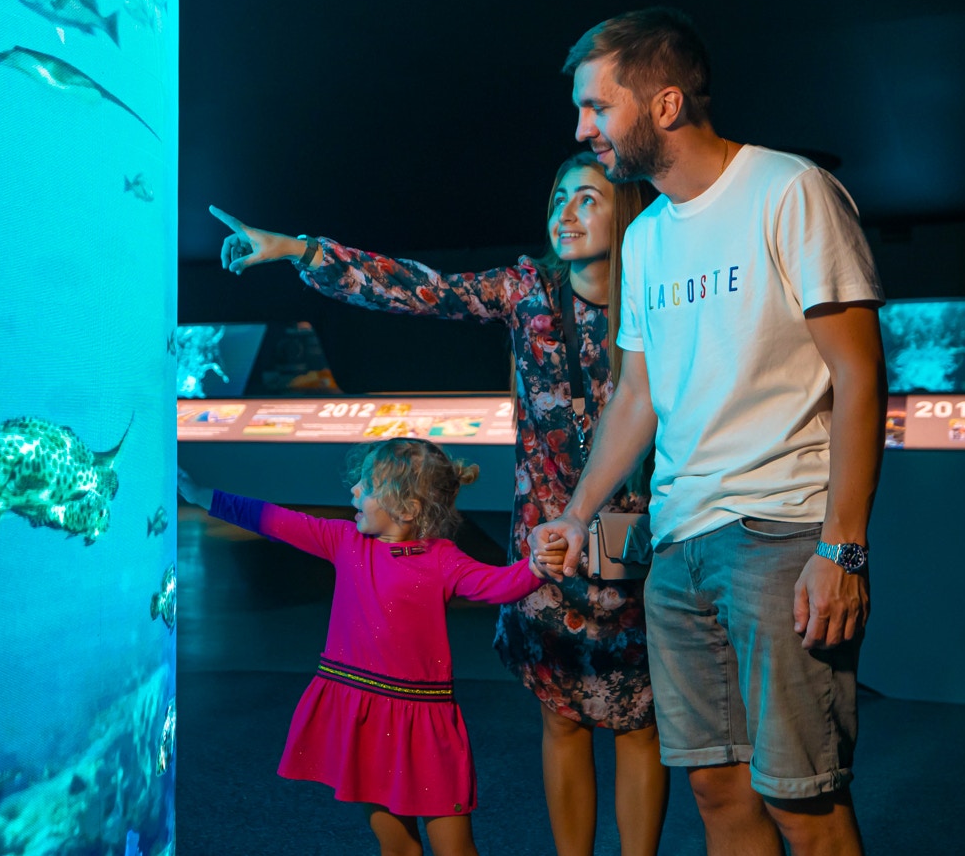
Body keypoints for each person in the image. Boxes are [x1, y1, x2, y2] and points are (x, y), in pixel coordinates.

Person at [210, 152, 670, 856]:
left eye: (589, 199)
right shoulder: (526, 288)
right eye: (559, 199)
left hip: (638, 549)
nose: (566, 214)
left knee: (641, 725)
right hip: (546, 548)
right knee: (561, 718)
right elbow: (422, 289)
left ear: (628, 209)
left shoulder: (658, 294)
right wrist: (302, 250)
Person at [530, 7, 886, 856]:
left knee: (804, 797)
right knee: (717, 792)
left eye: (597, 107)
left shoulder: (789, 190)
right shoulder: (646, 236)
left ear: (665, 104)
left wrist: (843, 549)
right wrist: (578, 514)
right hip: (679, 543)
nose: (583, 130)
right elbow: (636, 396)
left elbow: (861, 373)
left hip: (781, 536)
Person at [178, 439, 550, 856]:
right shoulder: (343, 541)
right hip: (365, 719)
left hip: (425, 726)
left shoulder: (443, 560)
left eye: (369, 485)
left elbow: (498, 584)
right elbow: (272, 519)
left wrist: (537, 565)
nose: (354, 489)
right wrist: (200, 495)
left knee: (456, 849)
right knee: (396, 848)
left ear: (407, 508)